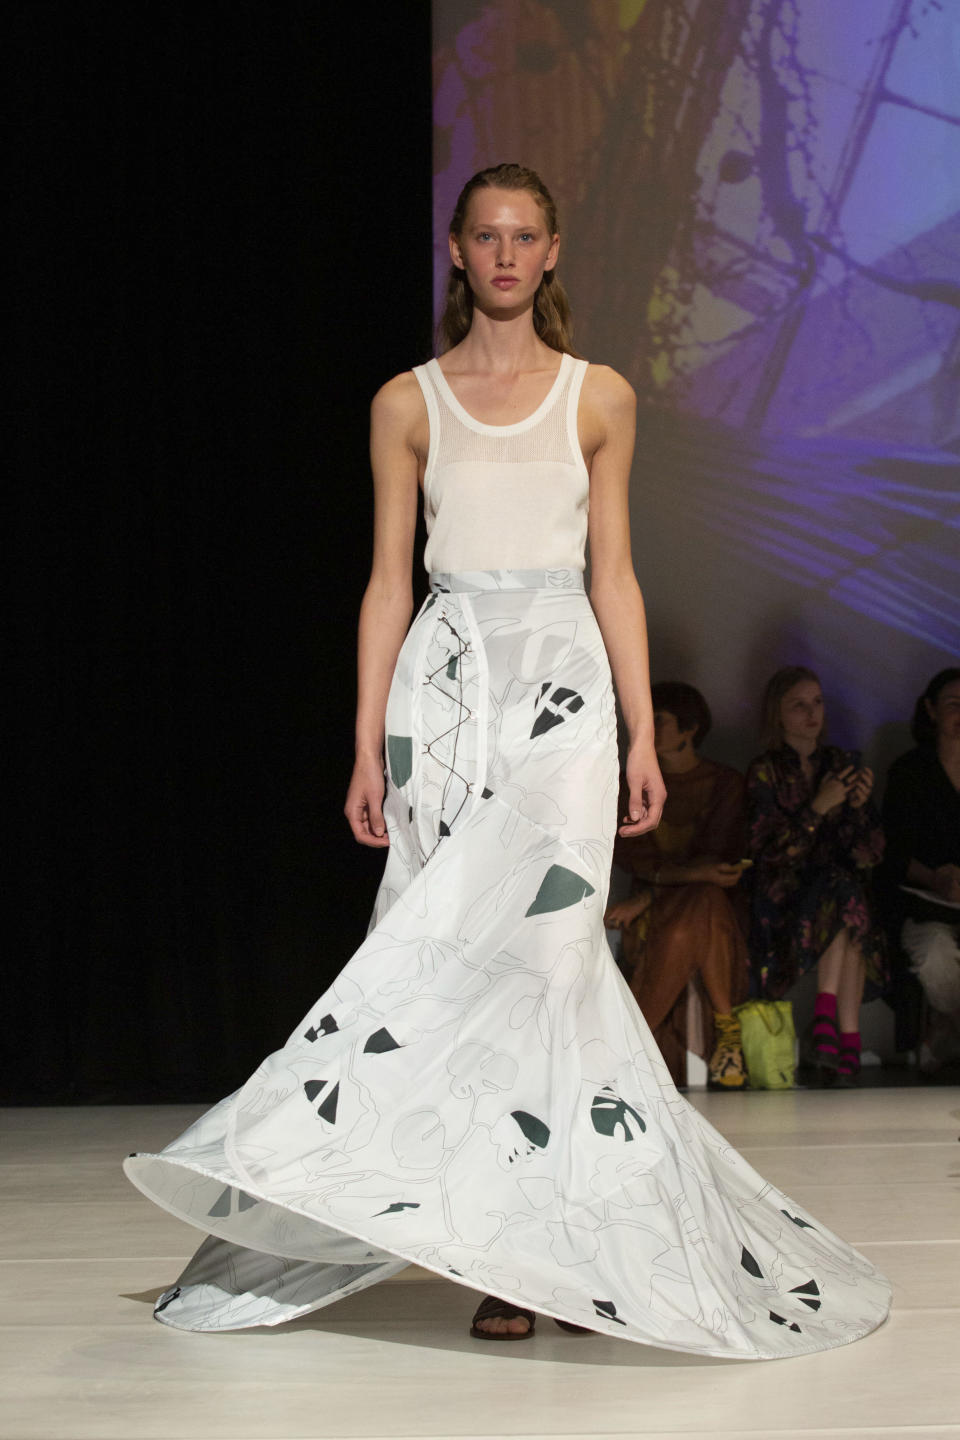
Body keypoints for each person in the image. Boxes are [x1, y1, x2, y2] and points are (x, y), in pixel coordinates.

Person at [123, 165, 889, 1357]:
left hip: (564, 686)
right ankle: (476, 1226)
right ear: (458, 248)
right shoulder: (406, 402)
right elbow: (386, 579)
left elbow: (616, 574)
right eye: (486, 235)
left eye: (525, 235)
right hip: (445, 687)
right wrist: (370, 742)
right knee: (431, 958)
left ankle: (529, 1255)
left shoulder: (600, 397)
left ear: (553, 250)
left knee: (545, 958)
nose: (505, 254)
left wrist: (643, 730)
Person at [746, 667, 887, 1085]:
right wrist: (818, 808)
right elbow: (767, 855)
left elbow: (870, 854)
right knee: (843, 894)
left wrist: (860, 808)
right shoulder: (765, 770)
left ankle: (833, 1028)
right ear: (779, 714)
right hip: (783, 896)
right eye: (799, 705)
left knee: (846, 890)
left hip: (836, 891)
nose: (812, 713)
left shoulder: (840, 763)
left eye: (818, 702)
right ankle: (844, 1034)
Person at [605, 682, 749, 1090]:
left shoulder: (723, 784)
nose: (647, 728)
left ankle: (632, 1043)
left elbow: (715, 862)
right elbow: (633, 856)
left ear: (690, 729)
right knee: (698, 905)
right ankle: (728, 1032)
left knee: (704, 902)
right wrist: (684, 879)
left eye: (659, 720)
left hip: (708, 911)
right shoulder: (628, 783)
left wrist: (648, 896)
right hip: (665, 910)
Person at [880, 668, 960, 1072]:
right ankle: (947, 1023)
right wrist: (937, 879)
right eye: (953, 705)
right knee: (934, 954)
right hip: (926, 904)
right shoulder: (911, 772)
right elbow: (890, 852)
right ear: (931, 710)